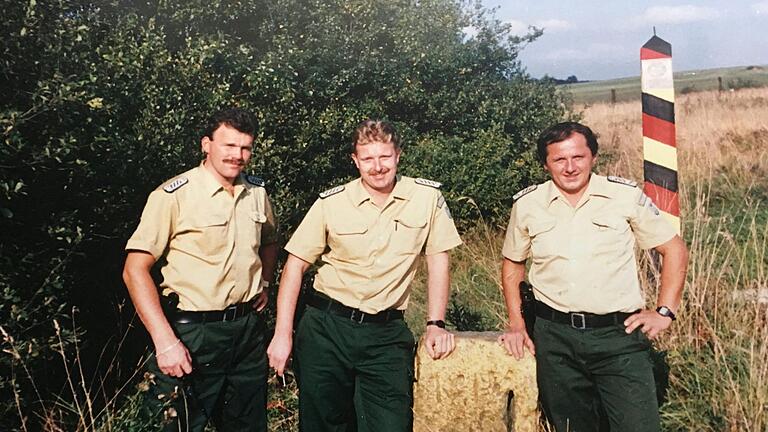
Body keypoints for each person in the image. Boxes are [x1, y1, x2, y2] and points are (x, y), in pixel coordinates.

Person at [267, 119, 462, 432]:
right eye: (368, 159)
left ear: (398, 155)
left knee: (390, 424)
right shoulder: (332, 203)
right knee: (324, 424)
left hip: (385, 335)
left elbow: (439, 258)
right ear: (355, 160)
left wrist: (435, 324)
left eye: (384, 157)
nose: (377, 167)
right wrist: (282, 334)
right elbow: (295, 266)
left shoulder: (426, 199)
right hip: (326, 330)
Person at [498, 121, 688, 432]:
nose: (570, 168)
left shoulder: (623, 196)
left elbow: (674, 249)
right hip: (555, 339)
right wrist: (517, 324)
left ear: (593, 158)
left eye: (579, 157)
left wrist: (665, 311)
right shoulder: (528, 204)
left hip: (618, 337)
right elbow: (512, 264)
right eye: (559, 160)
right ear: (546, 164)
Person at [122, 108, 278, 431]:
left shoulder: (257, 193)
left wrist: (264, 280)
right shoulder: (174, 196)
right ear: (206, 144)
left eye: (246, 148)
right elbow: (134, 269)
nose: (238, 156)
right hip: (193, 333)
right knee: (173, 425)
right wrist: (165, 341)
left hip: (246, 332)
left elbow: (270, 241)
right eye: (229, 146)